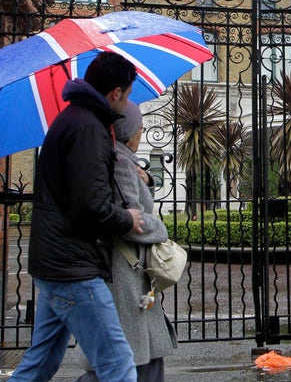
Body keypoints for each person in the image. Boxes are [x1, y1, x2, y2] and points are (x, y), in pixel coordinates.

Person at [9, 51, 145, 382]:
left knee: (41, 361)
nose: (126, 101)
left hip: (56, 260)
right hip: (73, 266)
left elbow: (80, 188)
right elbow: (90, 205)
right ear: (117, 93)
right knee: (118, 363)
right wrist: (128, 218)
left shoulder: (76, 119)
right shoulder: (87, 129)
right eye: (127, 94)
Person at [78, 100, 177, 382]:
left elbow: (130, 201)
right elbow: (130, 219)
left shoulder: (122, 159)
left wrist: (147, 183)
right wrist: (161, 230)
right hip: (126, 268)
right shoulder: (120, 161)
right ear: (128, 130)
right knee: (131, 343)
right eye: (140, 128)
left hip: (128, 268)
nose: (142, 133)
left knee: (137, 342)